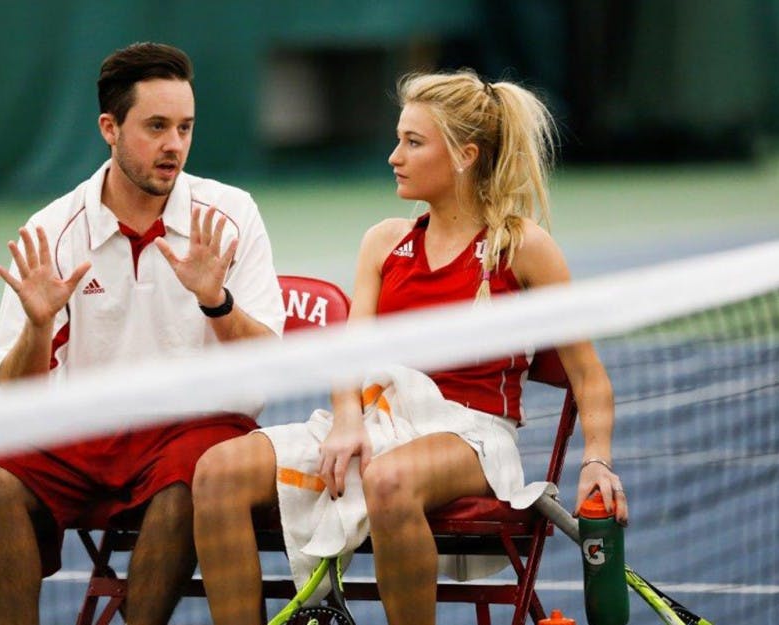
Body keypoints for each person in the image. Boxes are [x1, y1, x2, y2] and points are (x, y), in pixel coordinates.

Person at [191, 69, 629, 625]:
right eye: (399, 139)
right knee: (217, 470)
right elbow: (349, 358)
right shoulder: (384, 242)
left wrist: (597, 461)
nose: (394, 156)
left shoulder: (522, 247)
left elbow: (588, 377)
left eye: (413, 142)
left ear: (465, 155)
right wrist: (348, 419)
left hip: (471, 434)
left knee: (389, 478)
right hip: (378, 419)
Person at [0, 42, 285, 625]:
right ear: (109, 128)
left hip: (196, 427)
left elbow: (271, 365)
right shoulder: (53, 230)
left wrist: (217, 302)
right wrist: (39, 327)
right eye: (157, 126)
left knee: (187, 484)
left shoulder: (232, 215)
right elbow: (15, 398)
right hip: (87, 429)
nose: (175, 145)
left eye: (185, 127)